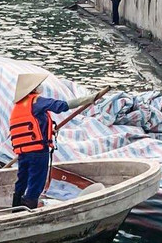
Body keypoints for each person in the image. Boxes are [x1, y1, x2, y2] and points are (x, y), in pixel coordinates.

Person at [10, 73, 103, 210]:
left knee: (22, 180)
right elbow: (62, 106)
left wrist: (49, 131)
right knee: (37, 182)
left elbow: (33, 125)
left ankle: (16, 207)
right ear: (33, 89)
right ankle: (28, 210)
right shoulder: (37, 101)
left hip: (23, 152)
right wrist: (88, 99)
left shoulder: (18, 106)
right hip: (38, 151)